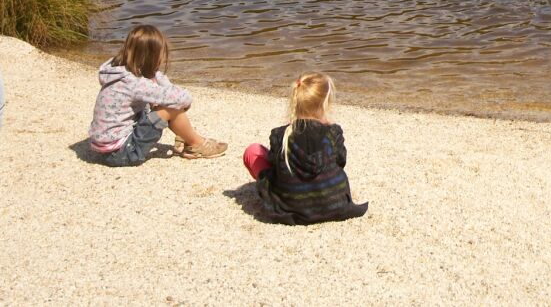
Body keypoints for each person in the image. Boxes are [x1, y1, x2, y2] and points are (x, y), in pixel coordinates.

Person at [88, 25, 227, 165]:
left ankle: (184, 136)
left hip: (104, 148)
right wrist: (163, 86)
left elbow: (163, 91)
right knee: (170, 107)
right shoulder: (136, 84)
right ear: (152, 57)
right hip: (121, 152)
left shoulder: (121, 72)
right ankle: (196, 144)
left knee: (162, 101)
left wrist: (156, 78)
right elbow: (183, 98)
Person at [243, 73, 368, 225]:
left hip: (290, 208)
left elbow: (275, 164)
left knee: (253, 150)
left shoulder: (280, 134)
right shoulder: (333, 132)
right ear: (325, 104)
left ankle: (295, 191)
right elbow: (341, 160)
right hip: (335, 205)